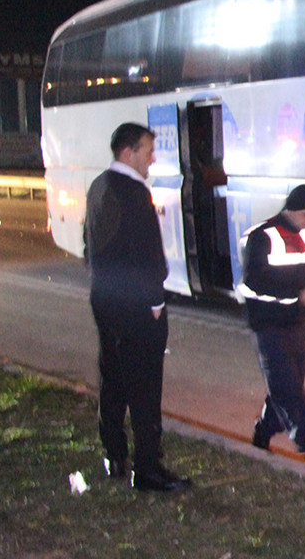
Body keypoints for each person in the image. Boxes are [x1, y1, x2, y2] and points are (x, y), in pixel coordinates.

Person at [84, 122, 191, 492]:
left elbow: (91, 245)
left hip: (105, 300)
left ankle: (114, 452)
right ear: (128, 152)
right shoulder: (133, 193)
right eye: (148, 150)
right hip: (136, 308)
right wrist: (157, 301)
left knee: (112, 379)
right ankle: (147, 469)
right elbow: (149, 255)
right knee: (145, 388)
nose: (153, 157)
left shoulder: (99, 186)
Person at [238, 184, 305, 473]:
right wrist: (296, 297)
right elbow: (254, 285)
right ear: (293, 209)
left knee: (284, 388)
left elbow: (302, 274)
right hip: (269, 325)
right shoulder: (262, 236)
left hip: (296, 324)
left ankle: (262, 433)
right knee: (290, 391)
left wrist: (304, 299)